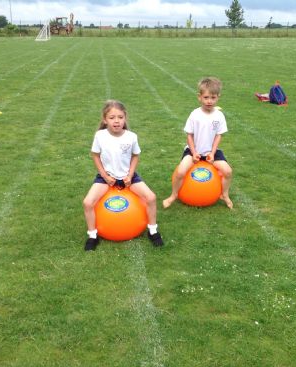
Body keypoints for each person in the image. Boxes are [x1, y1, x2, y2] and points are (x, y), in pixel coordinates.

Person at [82, 100, 164, 251]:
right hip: (106, 178)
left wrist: (130, 175)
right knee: (88, 202)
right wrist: (105, 176)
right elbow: (95, 155)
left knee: (151, 197)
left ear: (125, 118)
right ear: (105, 120)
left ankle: (153, 230)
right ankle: (92, 235)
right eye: (112, 117)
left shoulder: (131, 137)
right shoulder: (100, 136)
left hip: (128, 177)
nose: (116, 121)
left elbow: (135, 156)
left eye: (120, 117)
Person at [163, 77, 233, 209]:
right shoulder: (195, 115)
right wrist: (194, 152)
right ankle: (174, 195)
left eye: (213, 97)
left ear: (218, 97)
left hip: (211, 152)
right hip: (193, 151)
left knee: (228, 171)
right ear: (199, 97)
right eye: (206, 97)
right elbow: (189, 135)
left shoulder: (219, 116)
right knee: (180, 172)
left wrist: (212, 153)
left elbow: (218, 136)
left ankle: (224, 194)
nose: (209, 101)